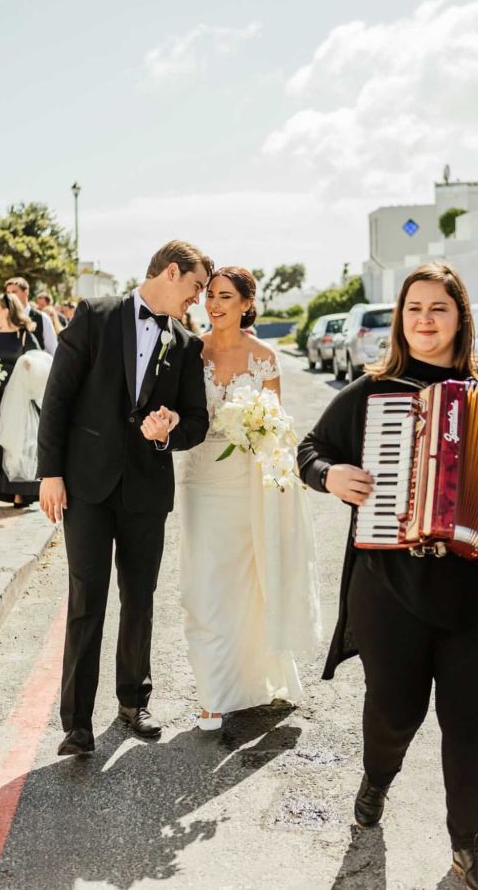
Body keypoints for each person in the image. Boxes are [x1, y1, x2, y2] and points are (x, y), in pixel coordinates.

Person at [297, 262, 478, 890]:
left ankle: (469, 850)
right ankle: (377, 781)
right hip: (391, 590)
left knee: (471, 721)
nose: (424, 320)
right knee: (395, 712)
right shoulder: (373, 394)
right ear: (402, 319)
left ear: (460, 318)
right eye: (414, 309)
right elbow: (310, 450)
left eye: (439, 309)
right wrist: (330, 476)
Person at [37, 239, 212, 757]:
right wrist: (50, 474)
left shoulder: (185, 344)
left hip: (145, 492)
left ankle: (134, 703)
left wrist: (168, 428)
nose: (198, 300)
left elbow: (196, 422)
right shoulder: (95, 314)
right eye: (197, 288)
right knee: (85, 601)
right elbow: (58, 397)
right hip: (86, 488)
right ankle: (77, 724)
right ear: (173, 273)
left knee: (139, 601)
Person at [179, 267, 320, 731]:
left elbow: (279, 428)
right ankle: (212, 694)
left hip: (248, 485)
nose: (214, 304)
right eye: (210, 296)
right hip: (202, 481)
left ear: (245, 303)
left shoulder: (264, 358)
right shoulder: (188, 352)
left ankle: (251, 679)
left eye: (225, 296)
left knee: (248, 584)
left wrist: (261, 433)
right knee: (204, 587)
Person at [0, 292, 40, 507]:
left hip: (17, 396)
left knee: (17, 442)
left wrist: (28, 364)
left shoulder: (23, 335)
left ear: (7, 310)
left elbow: (38, 360)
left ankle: (20, 492)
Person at [4, 277, 57, 354]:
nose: (10, 296)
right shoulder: (5, 317)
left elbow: (53, 350)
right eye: (8, 293)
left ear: (26, 292)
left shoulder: (42, 318)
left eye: (14, 292)